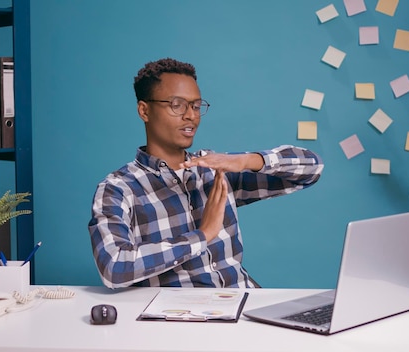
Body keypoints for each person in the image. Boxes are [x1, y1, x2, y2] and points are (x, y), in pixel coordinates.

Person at [88, 58, 324, 288]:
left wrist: (245, 161)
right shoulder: (119, 188)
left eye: (196, 105)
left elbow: (311, 169)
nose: (191, 115)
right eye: (177, 105)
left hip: (243, 304)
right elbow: (114, 267)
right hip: (180, 318)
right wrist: (202, 235)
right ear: (144, 110)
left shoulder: (215, 170)